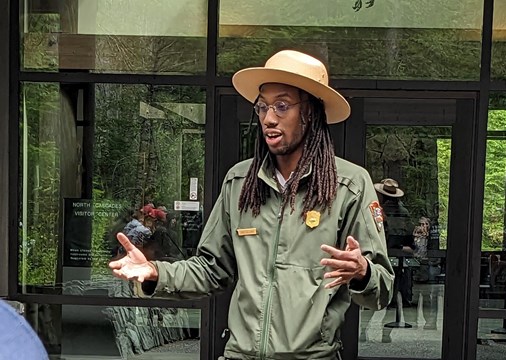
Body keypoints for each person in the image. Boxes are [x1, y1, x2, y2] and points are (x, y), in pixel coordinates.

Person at [109, 49, 394, 359]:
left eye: (282, 106)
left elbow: (381, 291)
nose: (269, 118)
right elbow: (211, 269)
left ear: (310, 112)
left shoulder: (349, 185)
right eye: (262, 107)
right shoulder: (239, 182)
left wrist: (363, 271)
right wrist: (155, 272)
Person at [375, 178, 414, 307]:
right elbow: (409, 232)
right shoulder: (402, 212)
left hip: (387, 249)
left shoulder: (379, 211)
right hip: (396, 249)